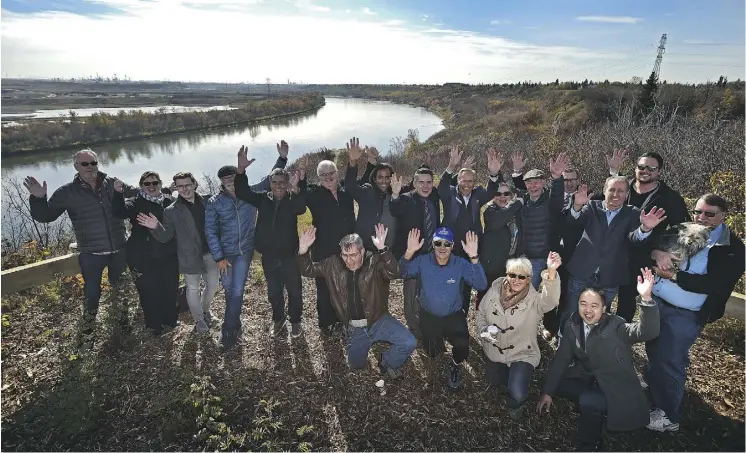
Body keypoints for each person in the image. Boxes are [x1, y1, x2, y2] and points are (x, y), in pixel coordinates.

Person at [645, 194, 745, 432]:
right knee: (654, 350)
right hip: (657, 301)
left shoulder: (733, 248)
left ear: (723, 215)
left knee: (671, 360)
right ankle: (654, 392)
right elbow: (653, 246)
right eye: (698, 212)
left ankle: (669, 417)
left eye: (709, 214)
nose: (702, 218)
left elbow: (715, 284)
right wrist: (657, 254)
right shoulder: (682, 229)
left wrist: (676, 276)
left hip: (686, 313)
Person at [537, 268, 661, 452]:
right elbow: (561, 360)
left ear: (604, 308)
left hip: (613, 384)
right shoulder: (573, 325)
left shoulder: (616, 325)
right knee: (550, 382)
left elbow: (647, 331)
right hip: (587, 376)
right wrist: (548, 392)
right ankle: (593, 411)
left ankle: (591, 444)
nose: (587, 310)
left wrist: (647, 298)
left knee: (589, 401)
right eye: (583, 304)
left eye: (594, 305)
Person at [25, 148, 138, 344]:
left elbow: (138, 193)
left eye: (93, 163)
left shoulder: (112, 183)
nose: (90, 167)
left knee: (121, 289)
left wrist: (160, 190)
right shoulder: (67, 192)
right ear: (76, 167)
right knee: (92, 294)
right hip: (91, 253)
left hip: (119, 249)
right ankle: (87, 334)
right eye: (85, 164)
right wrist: (38, 198)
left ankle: (123, 326)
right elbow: (46, 216)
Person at [297, 224, 416, 377]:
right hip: (356, 328)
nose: (349, 260)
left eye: (353, 255)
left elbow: (394, 273)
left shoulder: (374, 262)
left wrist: (383, 250)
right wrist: (303, 250)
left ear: (362, 251)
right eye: (345, 255)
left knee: (409, 342)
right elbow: (308, 270)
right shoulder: (333, 264)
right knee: (356, 365)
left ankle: (387, 361)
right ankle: (353, 340)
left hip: (378, 321)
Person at [205, 144, 288, 350]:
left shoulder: (251, 194)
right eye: (226, 180)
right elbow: (210, 231)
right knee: (229, 290)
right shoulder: (215, 202)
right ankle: (236, 322)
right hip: (224, 254)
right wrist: (218, 257)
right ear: (221, 182)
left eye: (233, 178)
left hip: (244, 252)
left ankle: (228, 333)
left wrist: (282, 159)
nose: (230, 182)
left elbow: (271, 178)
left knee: (238, 290)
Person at [559, 178, 667, 330]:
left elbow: (634, 239)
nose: (616, 194)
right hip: (581, 271)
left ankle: (588, 345)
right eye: (612, 190)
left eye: (621, 191)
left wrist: (645, 229)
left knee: (598, 314)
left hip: (610, 276)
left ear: (627, 194)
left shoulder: (633, 213)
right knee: (571, 310)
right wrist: (577, 205)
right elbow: (573, 221)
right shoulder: (592, 206)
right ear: (604, 191)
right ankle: (564, 339)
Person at [399, 227, 488, 390]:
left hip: (453, 314)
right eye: (438, 243)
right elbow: (402, 273)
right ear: (432, 244)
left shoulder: (460, 264)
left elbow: (481, 284)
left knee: (462, 347)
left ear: (452, 246)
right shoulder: (423, 261)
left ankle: (454, 365)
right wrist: (409, 252)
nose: (442, 247)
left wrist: (474, 257)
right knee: (433, 351)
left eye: (446, 244)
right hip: (429, 314)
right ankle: (437, 346)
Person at [608, 150, 691, 322]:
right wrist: (613, 172)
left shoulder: (670, 198)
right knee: (601, 299)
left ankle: (619, 341)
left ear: (659, 171)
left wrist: (663, 251)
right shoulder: (624, 187)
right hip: (611, 254)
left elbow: (684, 229)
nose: (645, 171)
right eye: (641, 167)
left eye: (651, 168)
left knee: (626, 305)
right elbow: (602, 200)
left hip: (640, 259)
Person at [476, 252, 561, 420]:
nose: (516, 280)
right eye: (512, 275)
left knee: (517, 392)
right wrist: (484, 331)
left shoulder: (534, 300)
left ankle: (517, 401)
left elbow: (550, 300)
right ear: (506, 275)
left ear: (529, 279)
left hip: (522, 353)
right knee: (493, 379)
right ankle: (511, 374)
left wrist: (551, 272)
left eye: (522, 277)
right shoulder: (493, 291)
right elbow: (480, 315)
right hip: (496, 351)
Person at [234, 145, 307, 338]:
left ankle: (296, 321)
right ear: (270, 183)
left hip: (290, 256)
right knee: (274, 292)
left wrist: (295, 188)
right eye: (274, 182)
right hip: (269, 257)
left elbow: (301, 208)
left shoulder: (292, 200)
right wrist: (240, 170)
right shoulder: (262, 199)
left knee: (295, 292)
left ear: (286, 183)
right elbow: (241, 191)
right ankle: (278, 319)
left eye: (282, 183)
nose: (278, 186)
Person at [137, 171, 219, 333]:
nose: (184, 189)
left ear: (194, 184)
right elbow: (166, 236)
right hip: (189, 256)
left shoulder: (208, 201)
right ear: (176, 188)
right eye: (180, 186)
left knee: (214, 286)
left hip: (210, 253)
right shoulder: (171, 210)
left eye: (187, 185)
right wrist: (156, 227)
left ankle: (205, 310)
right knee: (193, 289)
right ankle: (199, 320)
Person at [296, 149, 358, 334]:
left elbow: (355, 182)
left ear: (337, 173)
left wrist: (353, 163)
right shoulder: (314, 194)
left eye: (331, 173)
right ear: (318, 177)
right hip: (324, 249)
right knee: (325, 289)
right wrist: (302, 175)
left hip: (347, 248)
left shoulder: (346, 192)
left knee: (347, 285)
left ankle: (343, 318)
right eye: (323, 175)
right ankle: (326, 323)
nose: (328, 177)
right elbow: (301, 195)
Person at [112, 171, 179, 335]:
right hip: (142, 255)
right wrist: (118, 193)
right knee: (149, 290)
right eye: (147, 184)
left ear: (160, 184)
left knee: (170, 288)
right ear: (141, 186)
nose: (151, 186)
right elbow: (119, 211)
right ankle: (153, 324)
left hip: (168, 254)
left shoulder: (169, 201)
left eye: (154, 183)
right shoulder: (135, 203)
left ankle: (170, 320)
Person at [438, 146, 502, 314]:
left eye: (470, 181)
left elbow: (492, 190)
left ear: (474, 183)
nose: (467, 184)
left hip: (470, 248)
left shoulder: (478, 194)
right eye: (463, 180)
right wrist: (451, 166)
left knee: (466, 284)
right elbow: (442, 187)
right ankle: (446, 312)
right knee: (449, 281)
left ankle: (462, 315)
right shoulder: (450, 194)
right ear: (458, 180)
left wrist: (494, 174)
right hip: (450, 247)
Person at [389, 165, 441, 338]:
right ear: (414, 184)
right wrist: (395, 194)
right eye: (421, 182)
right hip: (411, 255)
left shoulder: (433, 197)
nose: (425, 186)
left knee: (428, 291)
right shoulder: (406, 199)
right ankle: (414, 329)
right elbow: (395, 209)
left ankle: (427, 323)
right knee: (411, 294)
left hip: (431, 255)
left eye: (429, 182)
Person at [509, 151, 570, 290]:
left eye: (536, 182)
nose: (533, 186)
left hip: (542, 259)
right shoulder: (523, 200)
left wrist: (557, 177)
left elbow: (557, 197)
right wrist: (517, 171)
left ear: (543, 182)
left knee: (532, 294)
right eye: (529, 183)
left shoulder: (549, 202)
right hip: (524, 257)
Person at [475, 183, 523, 309]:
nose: (502, 197)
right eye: (498, 194)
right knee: (485, 298)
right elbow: (499, 220)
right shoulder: (490, 211)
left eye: (506, 193)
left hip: (509, 265)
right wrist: (517, 203)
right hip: (491, 265)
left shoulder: (515, 213)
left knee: (504, 300)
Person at [343, 139, 396, 250]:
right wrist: (353, 162)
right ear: (375, 179)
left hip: (391, 250)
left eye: (387, 177)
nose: (384, 181)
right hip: (368, 249)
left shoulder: (396, 193)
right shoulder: (368, 191)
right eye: (380, 177)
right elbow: (350, 186)